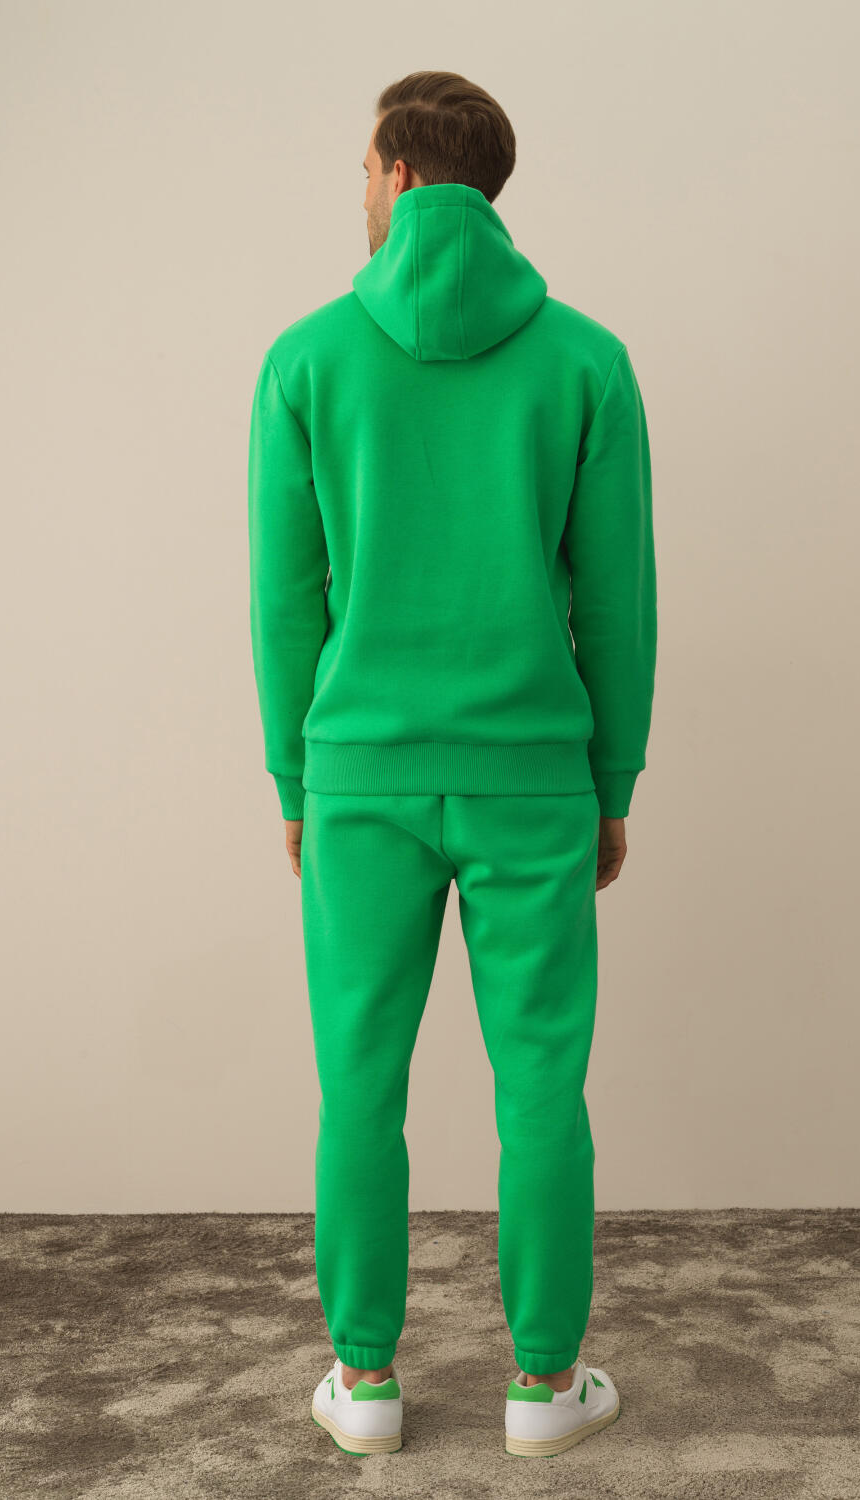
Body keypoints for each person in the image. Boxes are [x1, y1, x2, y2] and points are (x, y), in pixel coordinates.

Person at [247, 70, 657, 1458]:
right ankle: (544, 1389)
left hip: (359, 777)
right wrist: (611, 784)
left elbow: (285, 600)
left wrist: (296, 783)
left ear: (402, 172)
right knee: (540, 1083)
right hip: (534, 775)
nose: (357, 191)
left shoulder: (304, 359)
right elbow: (619, 600)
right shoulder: (587, 360)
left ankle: (364, 1382)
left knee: (358, 1082)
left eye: (363, 168)